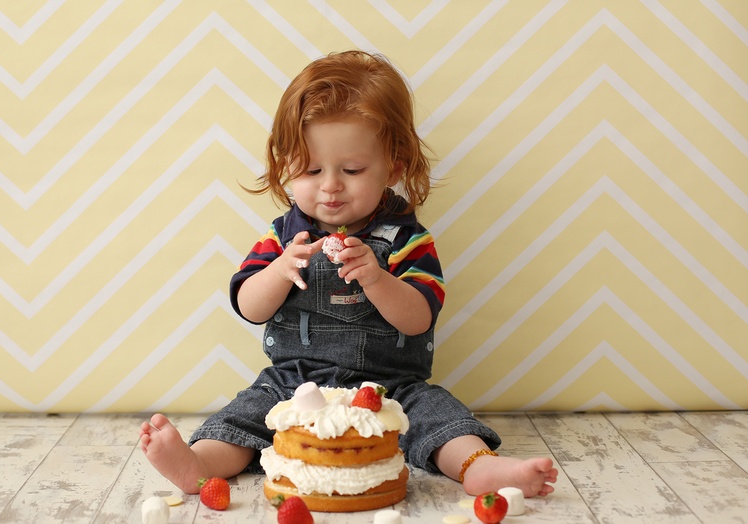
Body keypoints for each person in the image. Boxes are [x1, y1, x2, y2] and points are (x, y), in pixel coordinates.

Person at [139, 50, 557, 498]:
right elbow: (249, 306)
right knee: (249, 414)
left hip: (391, 385)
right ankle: (198, 463)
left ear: (392, 167)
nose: (331, 185)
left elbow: (419, 318)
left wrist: (378, 279)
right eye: (312, 169)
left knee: (438, 415)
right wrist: (281, 270)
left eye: (352, 170)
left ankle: (478, 468)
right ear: (286, 167)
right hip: (294, 381)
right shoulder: (283, 236)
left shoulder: (406, 239)